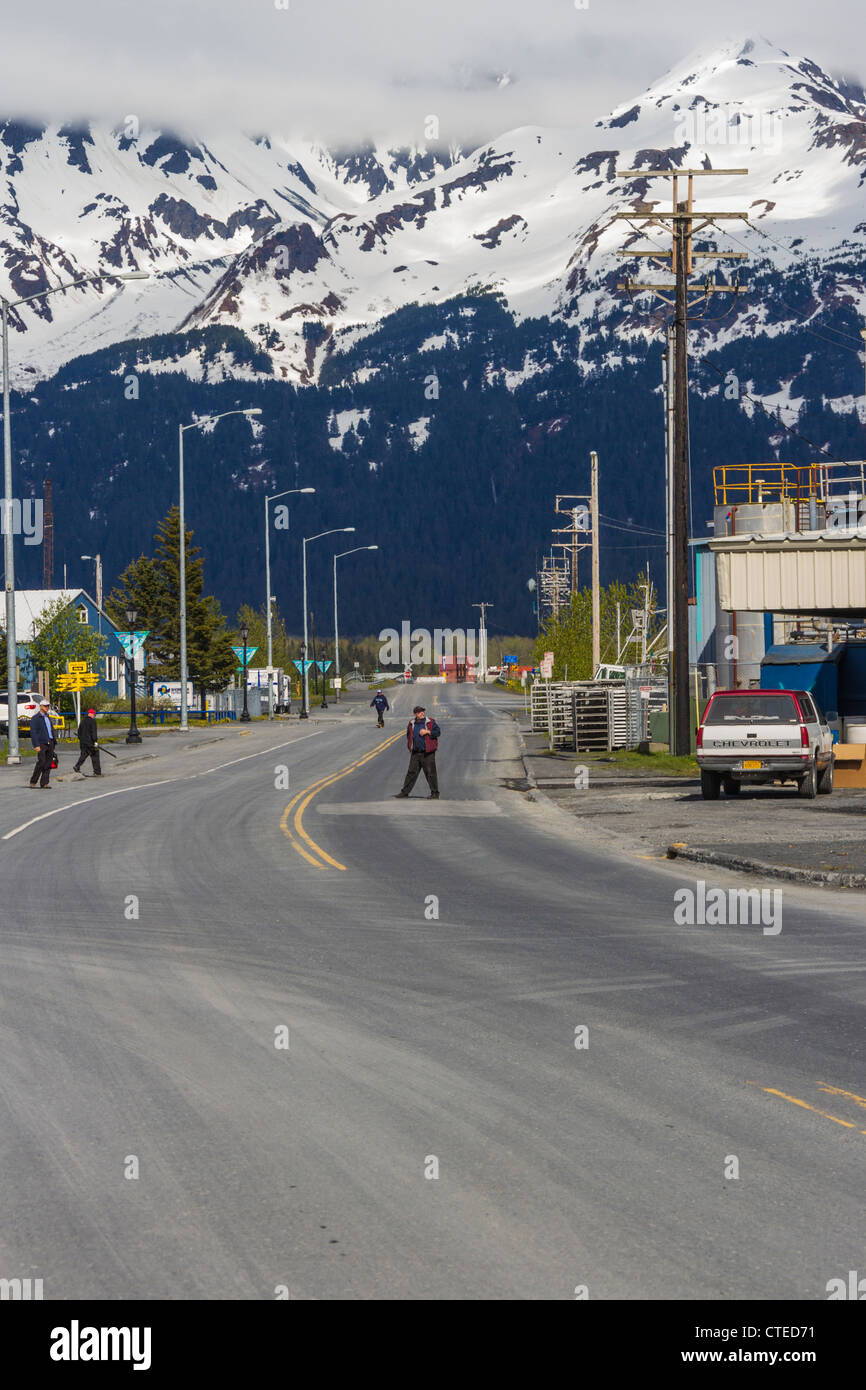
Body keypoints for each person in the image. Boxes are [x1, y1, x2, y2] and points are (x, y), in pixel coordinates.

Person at [395, 704, 441, 799]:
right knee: (411, 772)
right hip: (416, 752)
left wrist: (428, 732)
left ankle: (435, 793)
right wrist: (410, 746)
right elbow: (409, 735)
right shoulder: (411, 723)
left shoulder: (430, 722)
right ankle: (404, 792)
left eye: (423, 711)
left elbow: (438, 732)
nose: (422, 713)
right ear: (415, 714)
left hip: (428, 753)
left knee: (430, 773)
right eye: (420, 712)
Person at [28, 697, 57, 789]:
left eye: (48, 706)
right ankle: (33, 781)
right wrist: (36, 745)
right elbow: (33, 732)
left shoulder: (47, 717)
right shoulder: (36, 718)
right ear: (40, 706)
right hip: (41, 743)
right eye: (45, 706)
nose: (46, 708)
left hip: (50, 742)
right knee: (41, 762)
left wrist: (54, 743)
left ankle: (44, 783)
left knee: (48, 763)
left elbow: (51, 730)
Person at [73, 707, 102, 776]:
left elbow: (79, 732)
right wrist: (95, 741)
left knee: (84, 754)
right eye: (94, 715)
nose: (94, 716)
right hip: (90, 743)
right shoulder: (93, 721)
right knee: (95, 755)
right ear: (91, 714)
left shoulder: (82, 721)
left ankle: (77, 766)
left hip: (83, 742)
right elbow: (93, 732)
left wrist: (81, 739)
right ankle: (97, 772)